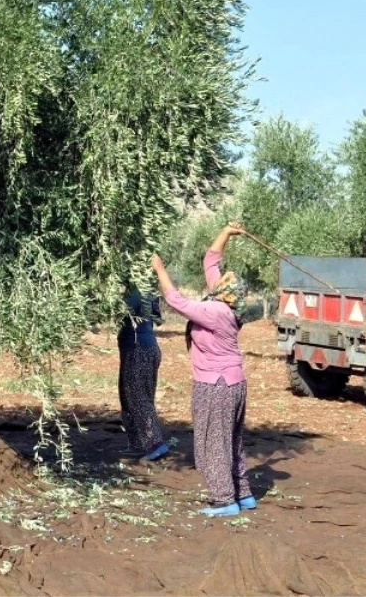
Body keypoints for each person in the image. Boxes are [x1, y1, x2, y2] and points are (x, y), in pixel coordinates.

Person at [151, 222, 254, 517]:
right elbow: (211, 261)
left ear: (225, 292)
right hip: (234, 382)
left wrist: (159, 268)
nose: (217, 281)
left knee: (212, 442)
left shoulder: (216, 312)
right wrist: (227, 232)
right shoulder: (228, 304)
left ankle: (224, 501)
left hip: (215, 385)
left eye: (222, 282)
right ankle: (243, 493)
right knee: (231, 440)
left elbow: (175, 300)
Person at [117, 285, 170, 461]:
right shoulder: (150, 290)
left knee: (138, 397)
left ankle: (155, 444)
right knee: (128, 397)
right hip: (145, 348)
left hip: (138, 349)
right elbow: (157, 318)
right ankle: (137, 444)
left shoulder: (137, 290)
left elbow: (121, 311)